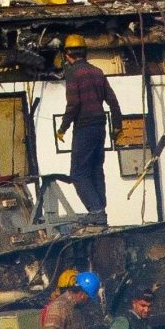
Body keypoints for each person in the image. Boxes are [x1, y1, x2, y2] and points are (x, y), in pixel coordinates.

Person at [61, 34, 121, 218]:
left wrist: (62, 128)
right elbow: (113, 101)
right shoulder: (97, 72)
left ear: (67, 55)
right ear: (85, 53)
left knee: (78, 174)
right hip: (100, 127)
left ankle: (96, 212)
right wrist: (117, 125)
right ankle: (101, 210)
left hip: (84, 127)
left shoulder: (73, 73)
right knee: (95, 169)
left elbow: (73, 104)